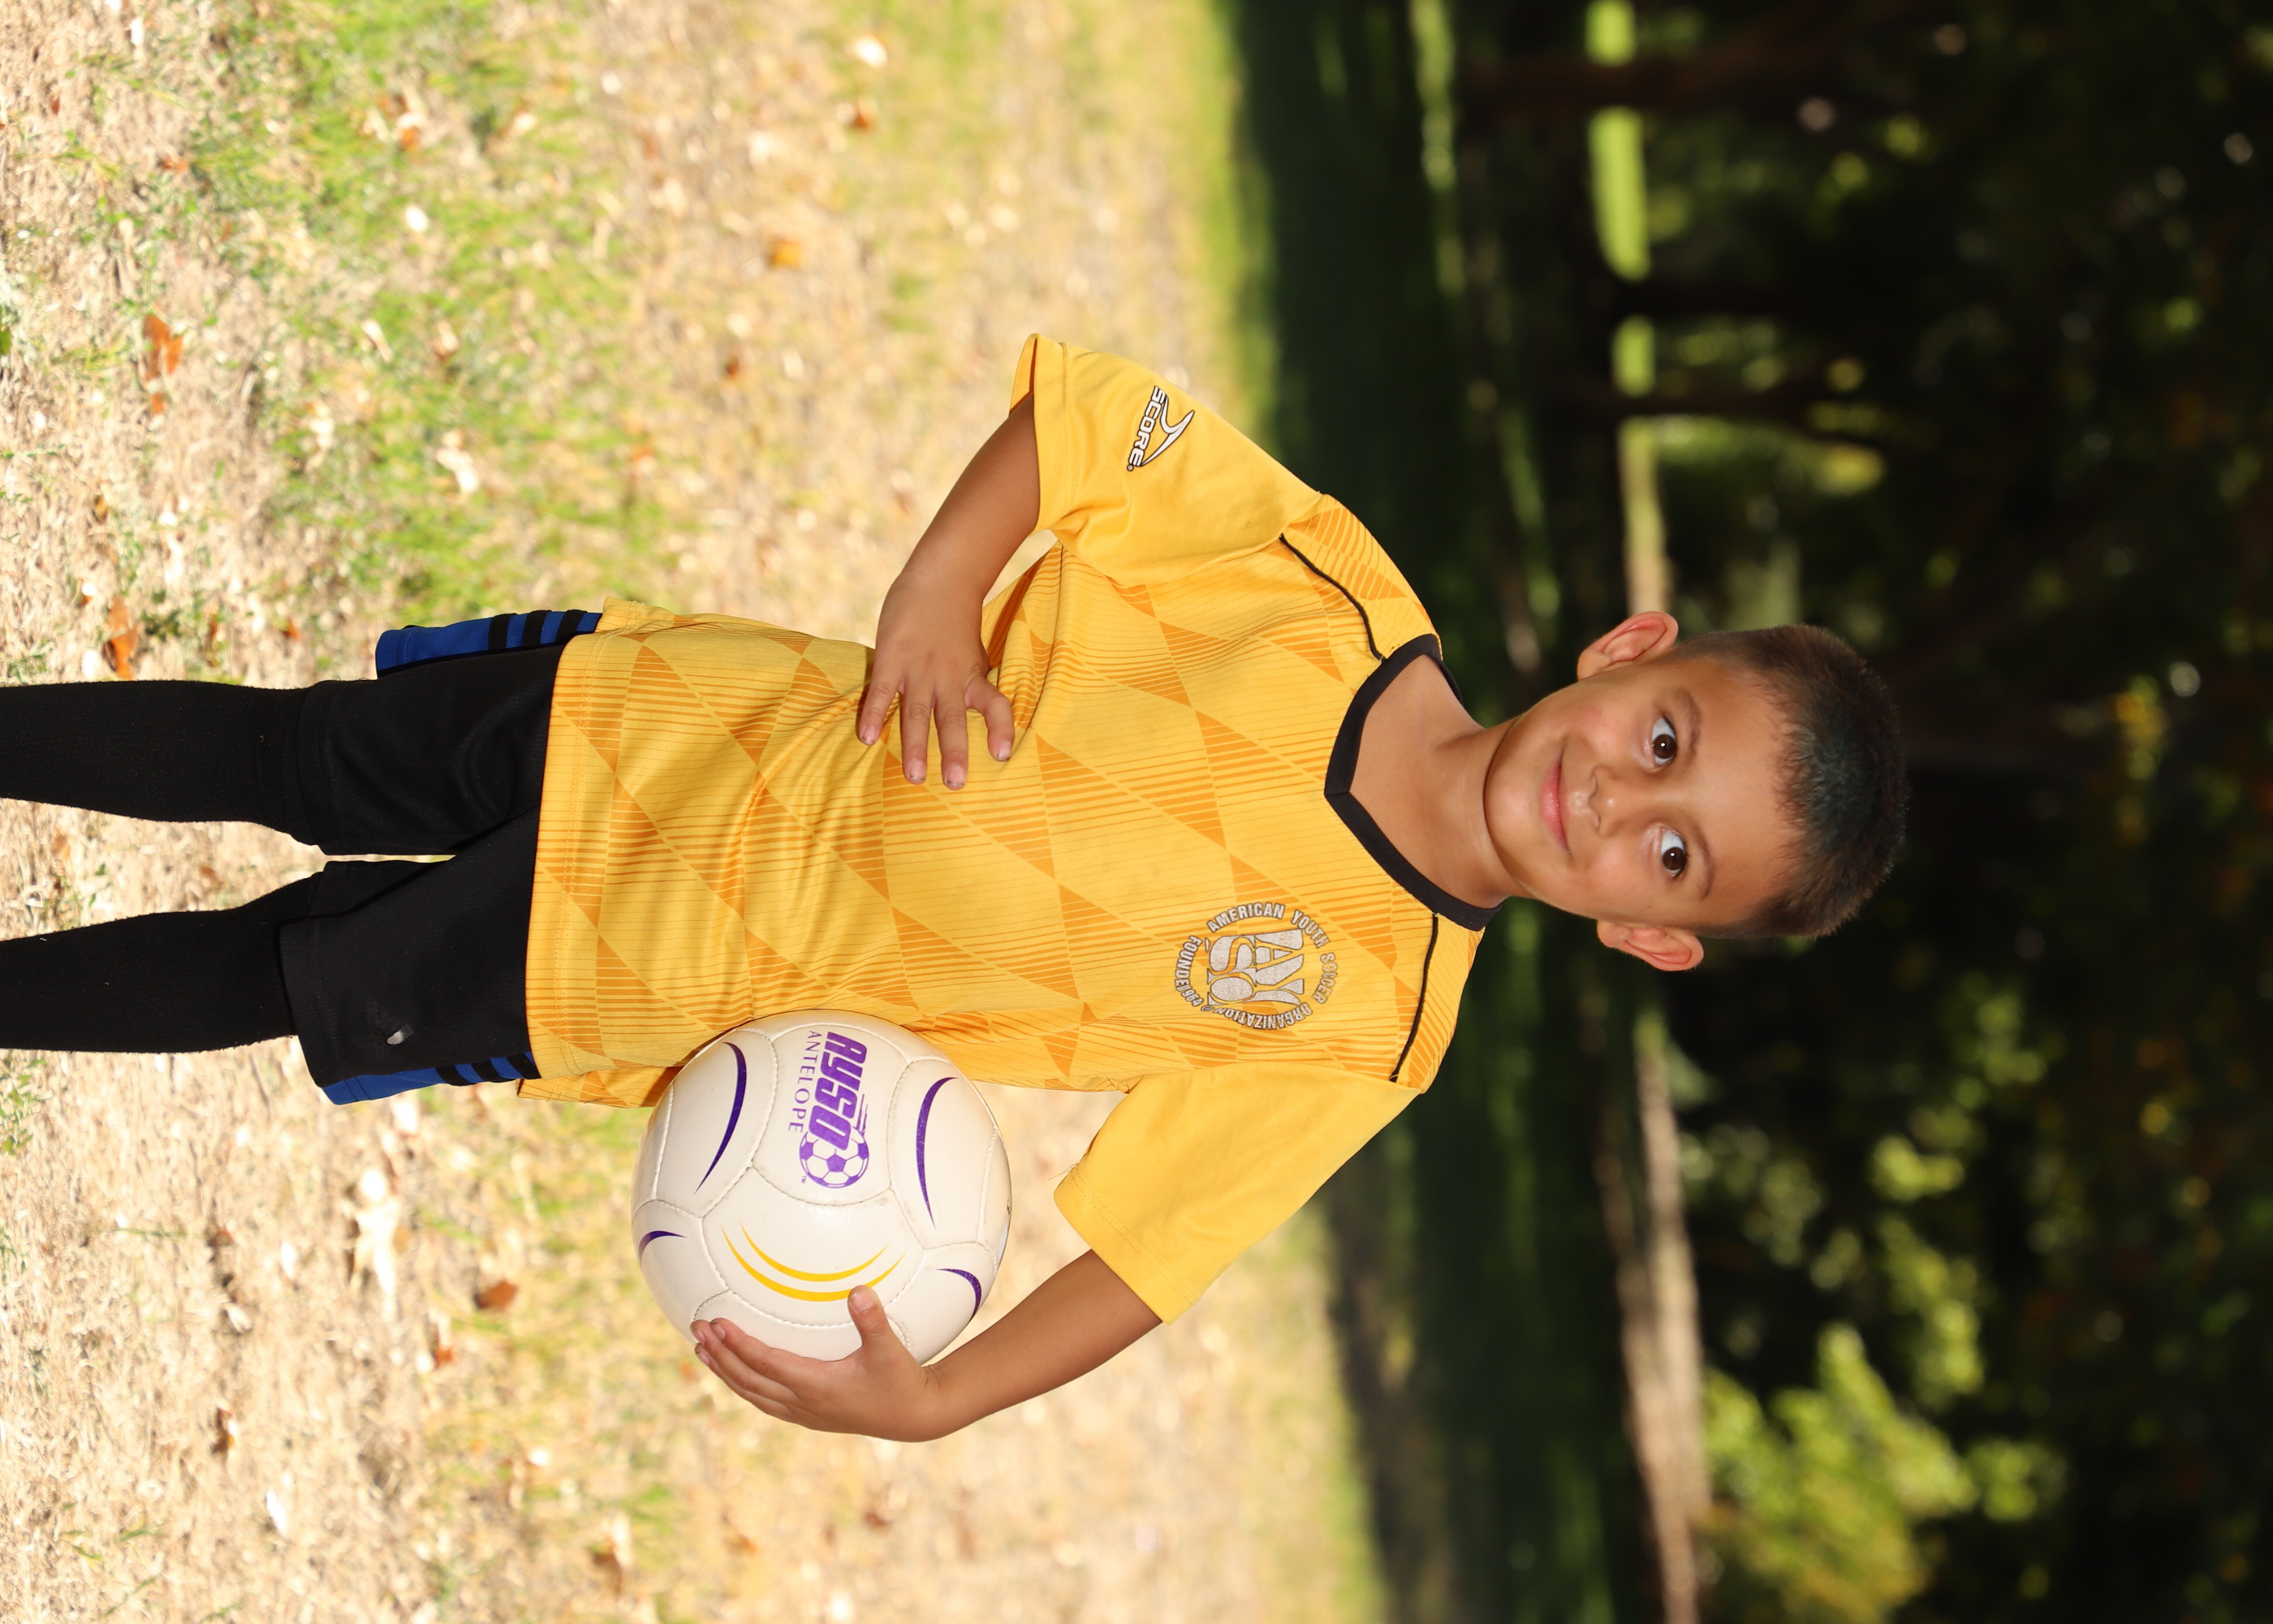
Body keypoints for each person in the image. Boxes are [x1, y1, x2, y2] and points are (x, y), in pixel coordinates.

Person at [0, 338, 1905, 1440]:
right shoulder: (1331, 593)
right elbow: (1092, 429)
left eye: (1672, 849)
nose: (1615, 798)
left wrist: (949, 1394)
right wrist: (931, 597)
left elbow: (1147, 1260)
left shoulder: (1369, 1025)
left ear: (1648, 930)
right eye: (1665, 735)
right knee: (295, 754)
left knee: (286, 970)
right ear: (1627, 648)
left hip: (657, 968)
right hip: (672, 717)